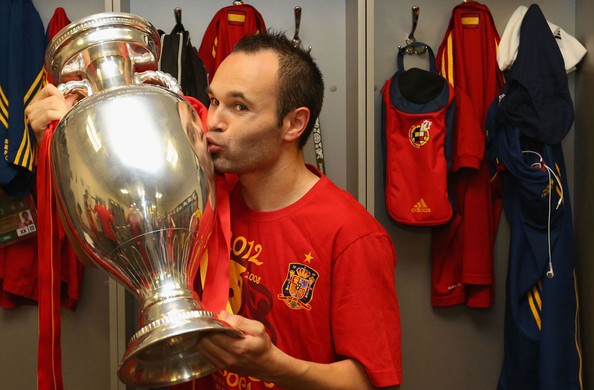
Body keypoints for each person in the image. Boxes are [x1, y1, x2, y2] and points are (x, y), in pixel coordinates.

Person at [26, 31, 402, 390]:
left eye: (239, 107)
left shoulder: (352, 235)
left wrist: (274, 366)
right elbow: (90, 254)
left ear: (294, 123)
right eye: (214, 100)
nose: (214, 121)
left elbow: (371, 381)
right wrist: (59, 142)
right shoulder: (200, 191)